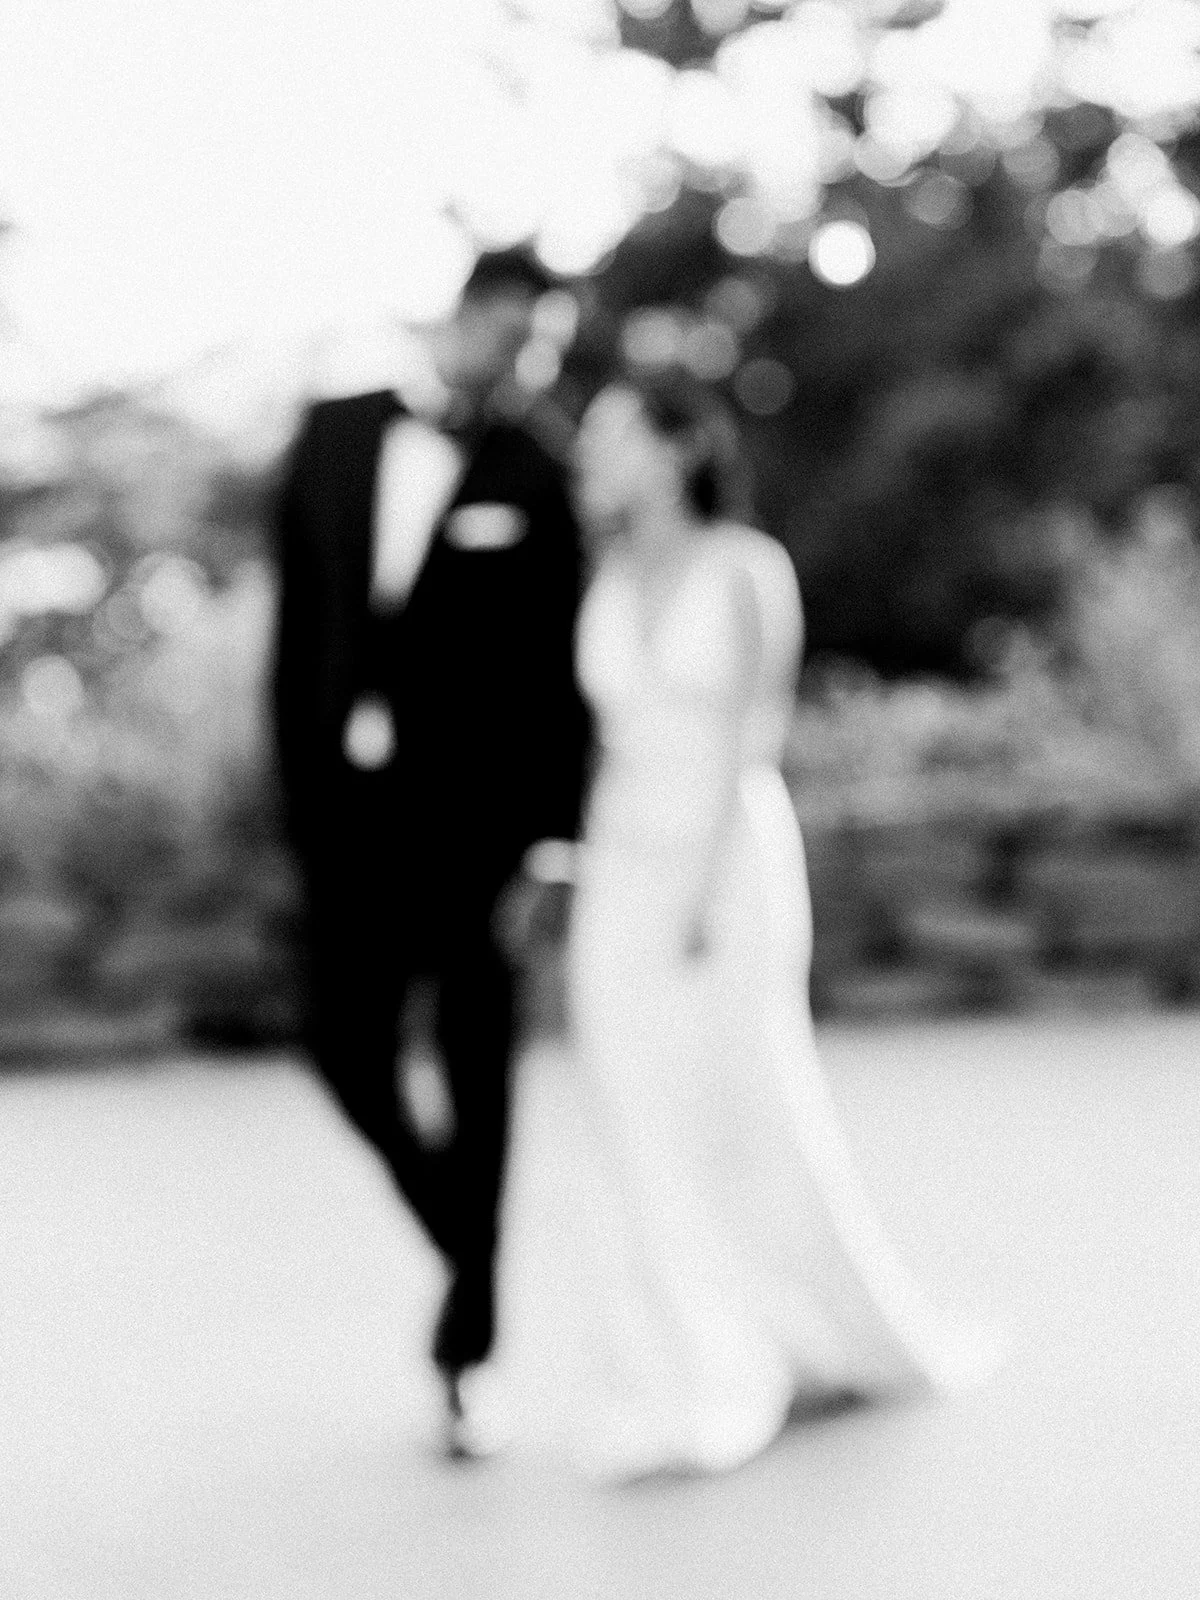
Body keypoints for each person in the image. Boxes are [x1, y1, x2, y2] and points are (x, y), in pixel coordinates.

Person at [541, 369, 987, 1480]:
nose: (588, 453)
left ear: (676, 446)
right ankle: (680, 1362)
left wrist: (696, 891)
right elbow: (602, 744)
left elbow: (754, 736)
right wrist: (588, 864)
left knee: (748, 1102)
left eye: (609, 433)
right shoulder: (602, 570)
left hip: (723, 867)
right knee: (625, 1110)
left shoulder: (747, 567)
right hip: (619, 867)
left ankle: (808, 1332)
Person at [270, 248, 590, 1454]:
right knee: (339, 1045)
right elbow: (297, 640)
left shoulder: (545, 470)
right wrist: (297, 813)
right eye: (511, 334)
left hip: (478, 839)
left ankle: (469, 1357)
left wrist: (554, 841)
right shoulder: (335, 433)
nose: (521, 363)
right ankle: (469, 1232)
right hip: (348, 827)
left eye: (542, 349)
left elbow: (564, 680)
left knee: (481, 1076)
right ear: (466, 317)